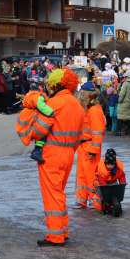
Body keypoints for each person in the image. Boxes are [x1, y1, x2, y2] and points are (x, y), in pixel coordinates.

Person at [17, 68, 84, 246]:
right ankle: (62, 230)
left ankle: (55, 236)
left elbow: (38, 132)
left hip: (51, 154)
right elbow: (80, 136)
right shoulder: (77, 105)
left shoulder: (54, 103)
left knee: (52, 195)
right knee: (59, 192)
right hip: (69, 154)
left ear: (55, 85)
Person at [74, 82, 106, 209]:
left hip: (89, 147)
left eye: (81, 93)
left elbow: (98, 133)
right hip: (84, 146)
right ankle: (82, 200)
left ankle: (96, 201)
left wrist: (93, 149)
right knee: (82, 176)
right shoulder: (89, 109)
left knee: (91, 176)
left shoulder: (94, 111)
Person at [15, 90, 54, 163]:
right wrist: (51, 112)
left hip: (28, 119)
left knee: (39, 134)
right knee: (43, 131)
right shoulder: (39, 97)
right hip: (32, 118)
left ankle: (37, 150)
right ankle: (37, 151)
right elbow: (41, 106)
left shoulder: (31, 96)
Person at [92, 148, 127, 215]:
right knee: (101, 196)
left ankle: (115, 204)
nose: (110, 166)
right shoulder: (101, 169)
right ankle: (103, 206)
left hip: (112, 183)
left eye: (112, 164)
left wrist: (122, 183)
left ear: (115, 164)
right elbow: (100, 178)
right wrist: (104, 186)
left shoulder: (118, 169)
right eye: (108, 164)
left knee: (116, 188)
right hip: (100, 183)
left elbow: (122, 176)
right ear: (105, 163)